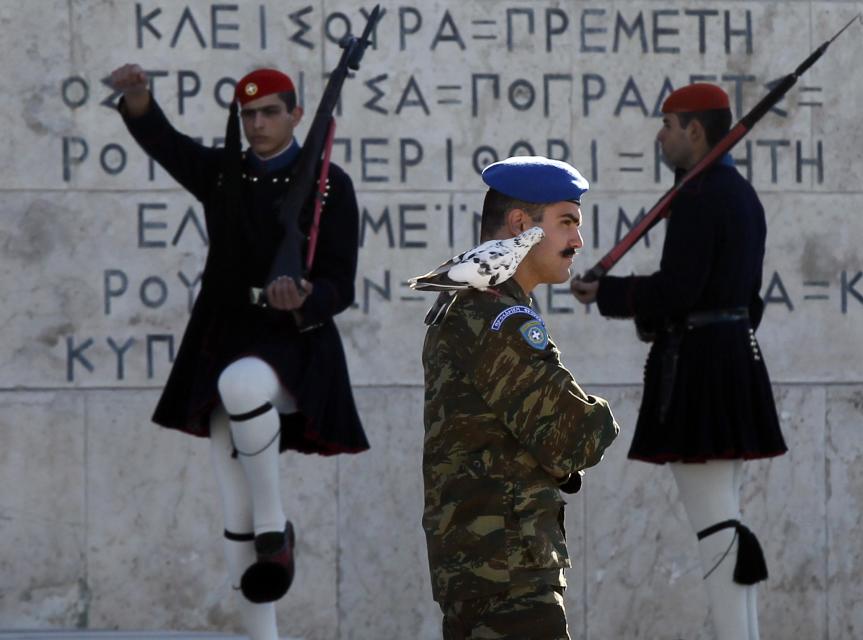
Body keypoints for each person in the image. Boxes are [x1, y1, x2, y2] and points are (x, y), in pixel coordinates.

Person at [110, 64, 369, 639]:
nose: (256, 123)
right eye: (247, 114)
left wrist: (303, 296)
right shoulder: (225, 175)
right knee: (234, 514)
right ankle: (263, 630)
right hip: (224, 335)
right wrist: (137, 99)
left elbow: (340, 283)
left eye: (270, 112)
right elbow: (167, 145)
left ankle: (277, 528)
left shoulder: (330, 185)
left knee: (244, 387)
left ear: (296, 115)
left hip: (292, 344)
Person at [570, 83, 787, 640]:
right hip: (733, 359)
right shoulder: (740, 194)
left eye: (669, 124)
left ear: (696, 129)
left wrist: (609, 294)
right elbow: (747, 298)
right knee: (723, 518)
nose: (660, 136)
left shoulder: (699, 197)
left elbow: (680, 291)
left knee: (715, 524)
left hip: (702, 372)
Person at [419, 156, 620, 640]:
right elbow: (572, 436)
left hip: (487, 568)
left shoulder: (480, 306)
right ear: (519, 225)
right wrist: (602, 421)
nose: (578, 241)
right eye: (567, 222)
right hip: (507, 575)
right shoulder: (496, 316)